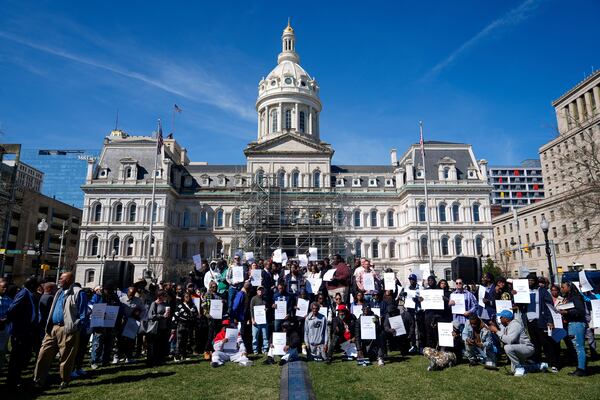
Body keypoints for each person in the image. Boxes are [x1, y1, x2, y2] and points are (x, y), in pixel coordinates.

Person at [33, 272, 87, 389]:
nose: (59, 279)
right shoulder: (59, 292)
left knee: (66, 357)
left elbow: (83, 314)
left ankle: (64, 380)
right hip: (52, 328)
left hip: (67, 329)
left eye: (62, 278)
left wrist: (76, 326)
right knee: (43, 354)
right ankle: (38, 379)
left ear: (70, 279)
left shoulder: (79, 293)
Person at [488, 310, 547, 376]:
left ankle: (519, 368)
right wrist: (497, 330)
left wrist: (496, 331)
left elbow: (509, 340)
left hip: (527, 347)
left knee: (507, 348)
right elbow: (504, 339)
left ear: (506, 319)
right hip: (519, 348)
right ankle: (539, 366)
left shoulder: (515, 325)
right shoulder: (507, 326)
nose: (499, 319)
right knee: (514, 370)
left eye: (501, 317)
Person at [6, 276, 40, 390]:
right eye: (36, 285)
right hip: (20, 331)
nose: (38, 287)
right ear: (31, 285)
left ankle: (16, 378)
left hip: (27, 330)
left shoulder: (29, 294)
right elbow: (12, 309)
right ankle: (12, 382)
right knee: (16, 358)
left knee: (23, 356)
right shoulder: (23, 294)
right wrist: (16, 322)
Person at [519, 273, 557, 372]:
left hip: (541, 320)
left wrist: (549, 320)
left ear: (535, 281)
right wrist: (516, 295)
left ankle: (553, 363)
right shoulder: (524, 291)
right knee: (535, 342)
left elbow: (549, 306)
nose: (530, 282)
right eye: (528, 280)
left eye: (532, 280)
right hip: (529, 320)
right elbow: (520, 304)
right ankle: (536, 359)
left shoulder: (542, 291)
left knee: (546, 342)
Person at [558, 281, 587, 376]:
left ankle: (581, 369)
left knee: (579, 347)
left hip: (577, 324)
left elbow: (581, 311)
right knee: (576, 346)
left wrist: (567, 312)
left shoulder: (576, 297)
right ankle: (580, 367)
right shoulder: (568, 298)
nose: (561, 289)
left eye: (563, 287)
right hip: (572, 323)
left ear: (569, 288)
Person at [90, 282, 123, 368]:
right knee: (97, 343)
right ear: (104, 289)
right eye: (108, 290)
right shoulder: (98, 296)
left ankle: (106, 360)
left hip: (110, 322)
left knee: (109, 343)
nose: (109, 292)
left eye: (111, 290)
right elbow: (91, 305)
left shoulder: (114, 297)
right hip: (99, 323)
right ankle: (94, 361)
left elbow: (119, 307)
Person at [172, 291, 199, 362]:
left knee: (187, 341)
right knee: (179, 341)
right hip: (181, 324)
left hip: (189, 325)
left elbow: (196, 314)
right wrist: (173, 327)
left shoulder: (193, 305)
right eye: (186, 297)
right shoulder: (179, 305)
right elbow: (175, 316)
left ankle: (184, 355)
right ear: (183, 298)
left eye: (189, 296)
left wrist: (194, 319)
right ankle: (177, 356)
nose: (188, 298)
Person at [146, 290, 171, 367]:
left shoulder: (165, 304)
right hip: (155, 328)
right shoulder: (154, 304)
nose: (165, 297)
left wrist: (167, 315)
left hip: (163, 327)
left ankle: (160, 360)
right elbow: (150, 316)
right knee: (153, 345)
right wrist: (162, 316)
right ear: (160, 296)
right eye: (164, 296)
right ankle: (152, 361)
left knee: (161, 345)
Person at [403, 273, 424, 354]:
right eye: (410, 279)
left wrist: (418, 299)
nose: (411, 281)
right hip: (410, 310)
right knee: (412, 329)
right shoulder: (407, 288)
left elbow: (423, 298)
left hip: (419, 310)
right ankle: (414, 345)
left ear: (415, 280)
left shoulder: (421, 288)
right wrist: (403, 295)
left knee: (420, 329)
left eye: (413, 279)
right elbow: (403, 297)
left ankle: (421, 346)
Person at [250, 286, 269, 355]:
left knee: (265, 336)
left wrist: (267, 309)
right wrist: (252, 319)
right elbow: (251, 309)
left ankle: (265, 349)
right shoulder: (254, 299)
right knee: (255, 336)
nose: (260, 291)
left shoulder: (265, 298)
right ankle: (255, 350)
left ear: (263, 291)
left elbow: (268, 308)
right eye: (259, 290)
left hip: (264, 320)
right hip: (256, 321)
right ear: (257, 291)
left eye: (261, 290)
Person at [0, 278, 12, 371]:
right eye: (3, 287)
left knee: (2, 349)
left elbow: (11, 313)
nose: (5, 289)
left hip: (4, 327)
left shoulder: (9, 300)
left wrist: (6, 319)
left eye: (6, 287)